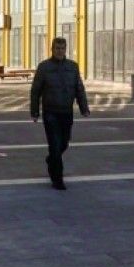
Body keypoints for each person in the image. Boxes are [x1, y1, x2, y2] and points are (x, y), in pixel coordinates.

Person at [30, 37, 90, 190]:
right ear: (52, 49)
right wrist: (35, 111)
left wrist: (84, 108)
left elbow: (79, 89)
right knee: (55, 144)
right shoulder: (44, 67)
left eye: (62, 48)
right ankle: (57, 179)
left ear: (65, 49)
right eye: (57, 48)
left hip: (66, 112)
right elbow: (35, 91)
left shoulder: (72, 67)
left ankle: (51, 159)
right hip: (50, 112)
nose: (60, 51)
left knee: (64, 143)